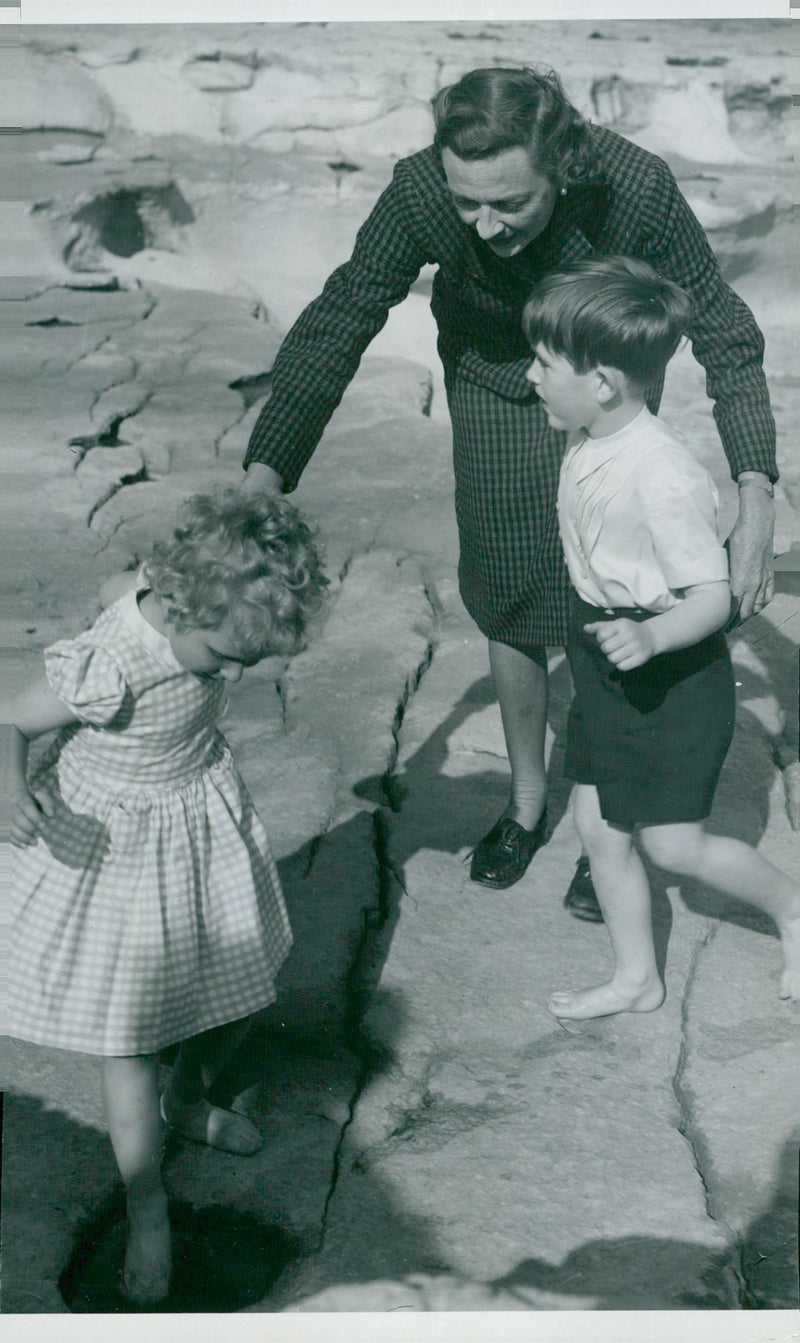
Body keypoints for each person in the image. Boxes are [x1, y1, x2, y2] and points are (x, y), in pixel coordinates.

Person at [241, 65, 777, 916]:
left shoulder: (634, 186)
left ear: (561, 166)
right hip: (496, 370)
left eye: (510, 204)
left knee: (626, 590)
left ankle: (616, 816)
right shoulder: (421, 191)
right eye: (468, 204)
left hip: (608, 380)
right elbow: (345, 312)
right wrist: (267, 472)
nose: (485, 226)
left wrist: (755, 494)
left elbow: (723, 330)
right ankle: (527, 804)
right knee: (508, 583)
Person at [3, 490, 328, 1306]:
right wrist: (9, 790)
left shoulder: (198, 604)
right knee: (130, 1036)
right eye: (223, 657)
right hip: (113, 841)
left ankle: (187, 1100)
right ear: (184, 604)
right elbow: (10, 721)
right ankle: (148, 1206)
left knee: (241, 983)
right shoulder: (116, 659)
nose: (233, 673)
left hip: (193, 814)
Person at [519, 254, 799, 1020]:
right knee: (598, 825)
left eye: (544, 363)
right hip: (608, 653)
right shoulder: (588, 438)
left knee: (671, 844)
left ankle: (795, 909)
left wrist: (651, 639)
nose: (530, 376)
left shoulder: (663, 472)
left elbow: (714, 594)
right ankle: (637, 976)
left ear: (603, 382)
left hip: (670, 671)